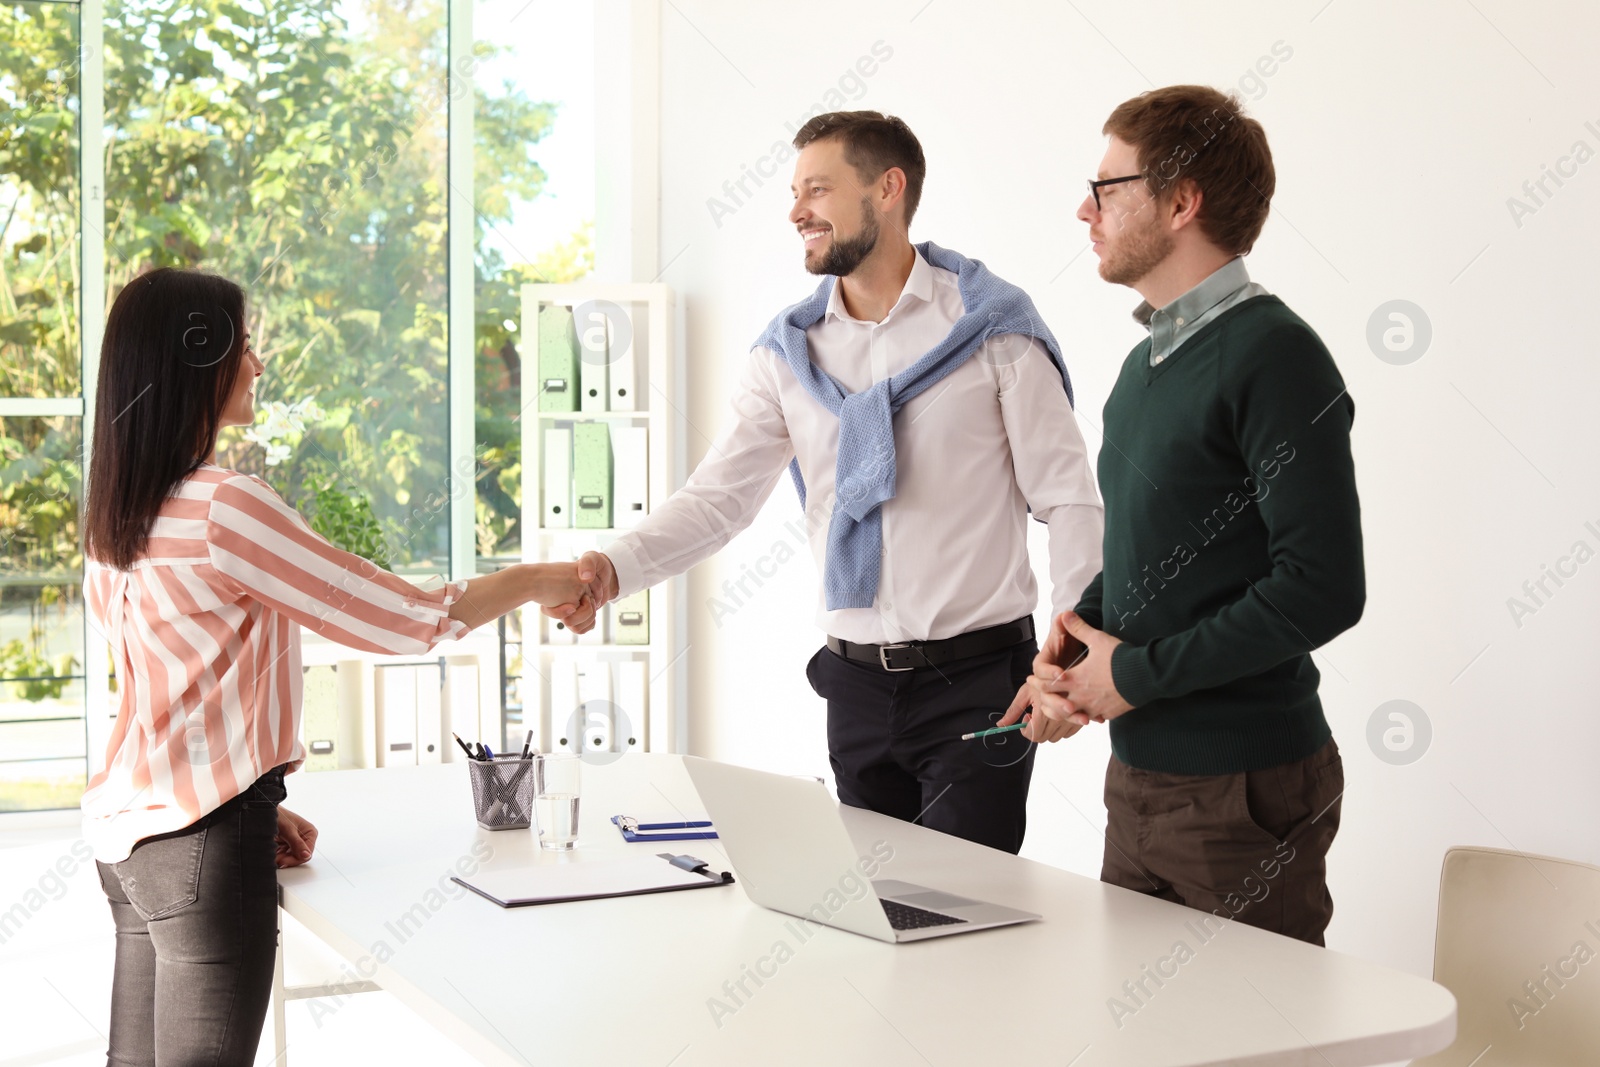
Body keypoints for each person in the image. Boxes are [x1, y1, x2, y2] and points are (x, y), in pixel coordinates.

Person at [80, 267, 587, 1065]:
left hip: (132, 846)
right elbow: (398, 617)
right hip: (203, 855)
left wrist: (249, 798)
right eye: (244, 344)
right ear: (194, 360)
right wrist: (537, 578)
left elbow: (160, 692)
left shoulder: (119, 515)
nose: (258, 362)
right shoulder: (224, 505)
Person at [559, 111, 1103, 854]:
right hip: (853, 690)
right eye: (793, 191)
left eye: (817, 189)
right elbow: (719, 500)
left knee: (967, 922)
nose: (795, 211)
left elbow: (1068, 498)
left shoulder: (994, 329)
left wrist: (1071, 658)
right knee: (875, 916)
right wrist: (612, 568)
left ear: (887, 188)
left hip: (976, 684)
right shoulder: (788, 354)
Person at [1002, 86, 1364, 945]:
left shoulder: (1276, 355)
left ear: (1180, 201)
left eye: (1106, 188)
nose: (1083, 210)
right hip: (1139, 780)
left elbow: (1322, 588)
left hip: (1243, 787)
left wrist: (1133, 676)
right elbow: (1159, 562)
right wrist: (1078, 640)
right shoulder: (1142, 369)